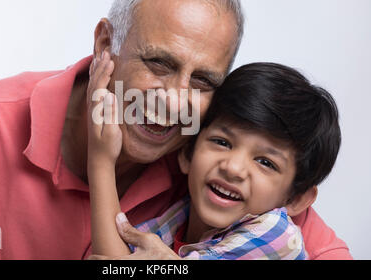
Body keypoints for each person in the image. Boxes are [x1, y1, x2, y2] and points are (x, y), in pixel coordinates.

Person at [0, 0, 352, 259]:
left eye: (202, 81)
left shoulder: (216, 163)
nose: (175, 100)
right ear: (106, 43)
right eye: (159, 64)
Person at [87, 61, 340, 260]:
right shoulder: (179, 216)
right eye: (222, 142)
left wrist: (101, 161)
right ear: (187, 153)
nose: (233, 168)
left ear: (295, 199)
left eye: (265, 162)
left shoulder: (276, 234)